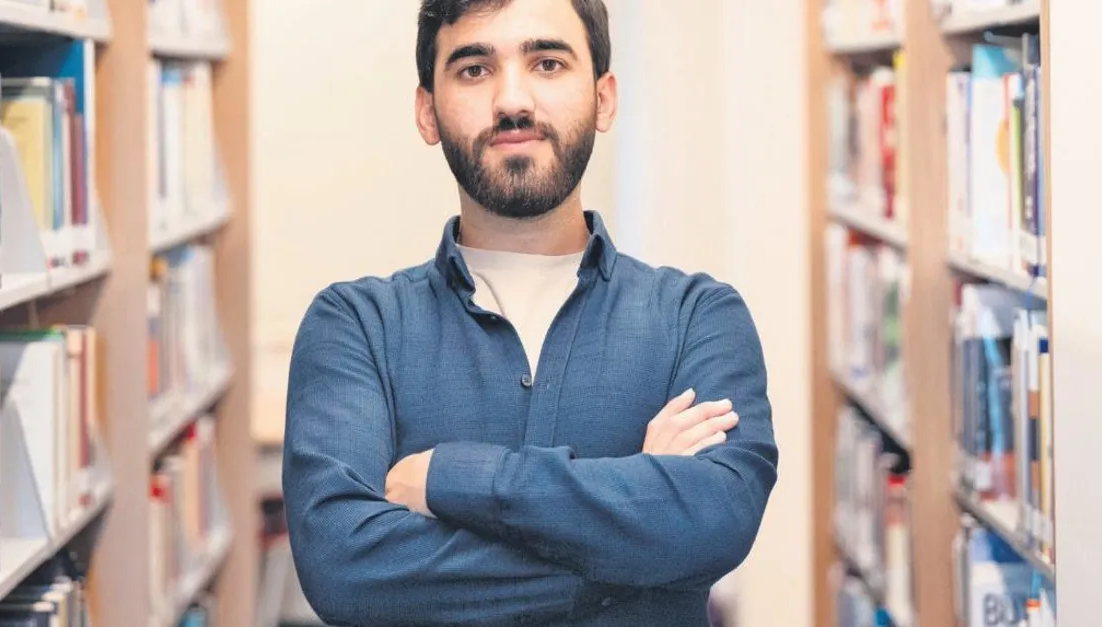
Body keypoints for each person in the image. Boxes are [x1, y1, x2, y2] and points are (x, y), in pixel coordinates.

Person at [281, 0, 779, 625]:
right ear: (427, 112)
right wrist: (641, 537)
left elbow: (717, 518)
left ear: (603, 99)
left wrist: (448, 477)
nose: (512, 101)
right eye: (474, 70)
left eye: (547, 63)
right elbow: (345, 569)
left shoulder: (698, 318)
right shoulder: (356, 326)